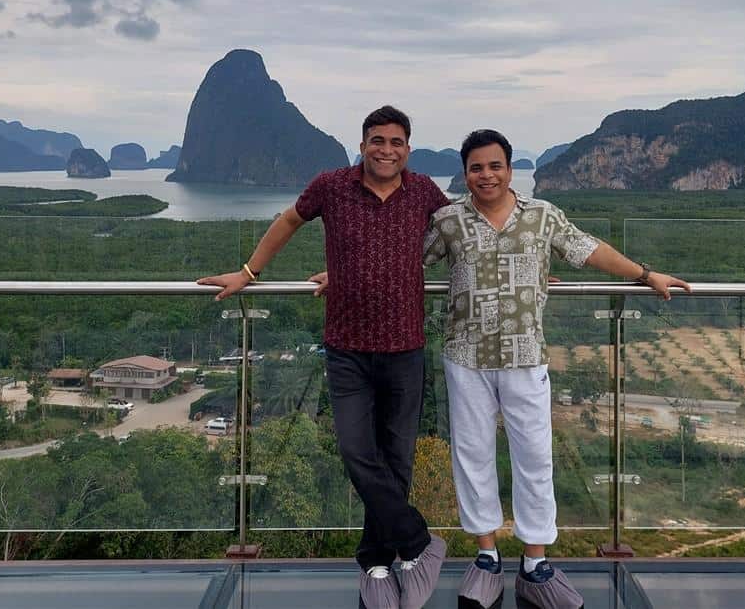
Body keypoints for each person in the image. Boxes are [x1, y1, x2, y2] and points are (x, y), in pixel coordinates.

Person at [422, 129, 691, 609]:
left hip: (526, 356)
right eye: (476, 167)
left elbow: (587, 247)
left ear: (510, 168)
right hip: (466, 356)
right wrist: (341, 273)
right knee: (472, 455)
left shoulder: (542, 217)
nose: (486, 175)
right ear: (464, 173)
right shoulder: (448, 221)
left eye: (495, 165)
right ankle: (486, 558)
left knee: (534, 457)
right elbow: (404, 263)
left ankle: (535, 562)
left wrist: (644, 274)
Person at [198, 105, 449, 609]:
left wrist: (523, 272)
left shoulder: (424, 191)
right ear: (362, 145)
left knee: (396, 463)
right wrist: (249, 272)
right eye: (377, 140)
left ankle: (377, 563)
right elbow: (289, 220)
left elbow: (464, 237)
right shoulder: (332, 185)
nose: (386, 149)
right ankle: (420, 544)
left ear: (408, 149)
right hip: (348, 349)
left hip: (405, 349)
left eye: (396, 142)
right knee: (358, 453)